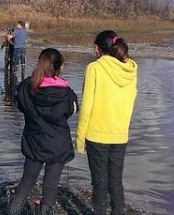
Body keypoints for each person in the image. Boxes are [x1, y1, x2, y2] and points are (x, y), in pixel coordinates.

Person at [8, 48, 79, 215]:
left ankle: (13, 211)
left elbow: (19, 105)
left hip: (35, 142)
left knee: (27, 181)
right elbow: (72, 111)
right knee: (51, 184)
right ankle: (45, 210)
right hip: (58, 144)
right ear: (60, 67)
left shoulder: (26, 86)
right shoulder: (67, 93)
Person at [75, 30, 138, 215]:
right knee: (116, 182)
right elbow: (131, 100)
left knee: (99, 183)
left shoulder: (94, 68)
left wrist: (79, 139)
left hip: (96, 135)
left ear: (97, 48)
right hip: (120, 135)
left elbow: (86, 106)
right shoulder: (131, 69)